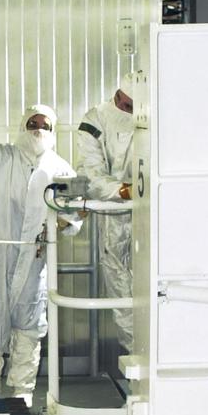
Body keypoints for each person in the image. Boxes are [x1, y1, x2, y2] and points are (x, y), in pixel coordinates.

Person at [0, 104, 81, 405]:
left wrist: (62, 222)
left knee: (28, 329)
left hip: (34, 262)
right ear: (22, 125)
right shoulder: (1, 157)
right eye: (32, 123)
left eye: (45, 125)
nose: (38, 129)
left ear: (52, 131)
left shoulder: (60, 169)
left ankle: (21, 397)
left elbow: (74, 211)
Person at [76, 75, 135, 354]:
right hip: (115, 215)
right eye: (125, 104)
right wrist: (125, 191)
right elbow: (90, 173)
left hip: (157, 215)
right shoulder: (96, 119)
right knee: (122, 289)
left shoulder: (161, 109)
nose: (129, 110)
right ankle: (138, 358)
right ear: (117, 96)